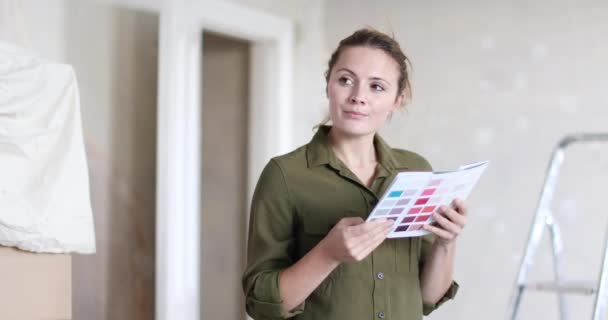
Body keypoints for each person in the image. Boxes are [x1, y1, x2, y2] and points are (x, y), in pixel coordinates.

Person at [242, 28, 466, 320]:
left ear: (398, 99)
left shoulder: (416, 171)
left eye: (376, 87)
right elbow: (261, 303)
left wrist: (446, 243)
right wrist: (328, 254)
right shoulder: (284, 175)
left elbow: (426, 297)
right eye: (346, 80)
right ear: (328, 86)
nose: (358, 97)